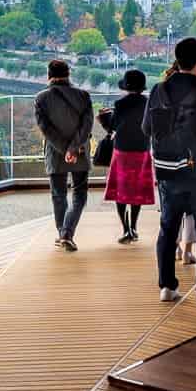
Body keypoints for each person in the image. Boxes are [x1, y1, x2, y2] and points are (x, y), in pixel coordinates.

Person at [145, 37, 196, 308]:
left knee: (167, 229)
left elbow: (148, 129)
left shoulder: (158, 91)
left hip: (168, 175)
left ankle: (167, 287)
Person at [33, 58, 94, 250]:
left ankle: (62, 233)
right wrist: (73, 148)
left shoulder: (41, 98)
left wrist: (64, 149)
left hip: (55, 152)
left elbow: (46, 129)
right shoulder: (83, 96)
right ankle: (68, 232)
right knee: (79, 194)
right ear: (69, 74)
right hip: (80, 151)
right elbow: (87, 126)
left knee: (58, 195)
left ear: (49, 76)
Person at [100, 69, 154, 244]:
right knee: (136, 191)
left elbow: (113, 127)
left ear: (126, 86)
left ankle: (125, 229)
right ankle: (135, 227)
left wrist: (103, 118)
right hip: (142, 149)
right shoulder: (148, 103)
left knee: (120, 191)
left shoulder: (120, 104)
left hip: (122, 150)